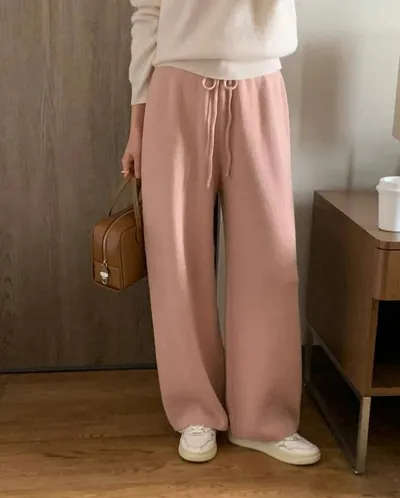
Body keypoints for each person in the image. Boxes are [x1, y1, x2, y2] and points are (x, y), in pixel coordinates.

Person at [122, 0, 321, 466]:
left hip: (260, 83)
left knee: (270, 259)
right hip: (176, 86)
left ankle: (264, 418)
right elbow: (147, 12)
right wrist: (137, 124)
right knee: (176, 257)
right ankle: (196, 410)